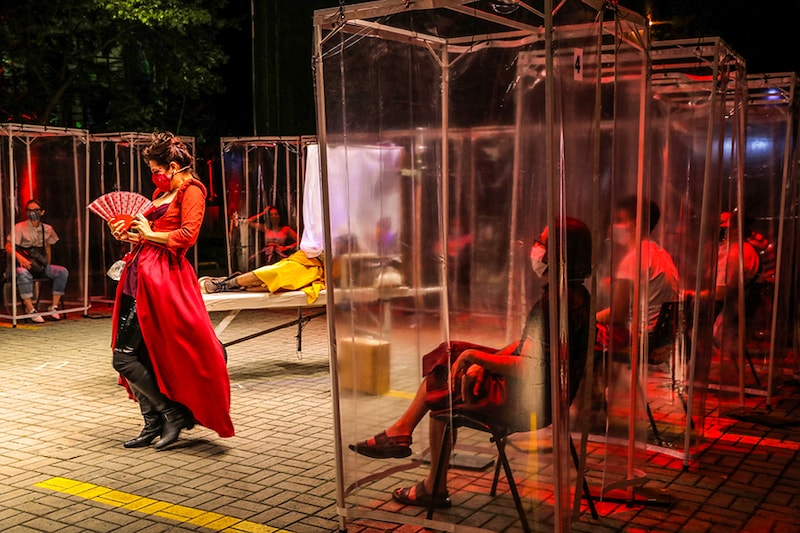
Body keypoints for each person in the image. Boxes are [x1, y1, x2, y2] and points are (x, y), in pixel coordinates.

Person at [348, 218, 592, 509]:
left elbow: (530, 366)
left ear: (560, 253)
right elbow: (529, 347)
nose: (536, 248)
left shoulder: (555, 302)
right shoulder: (575, 295)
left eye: (543, 242)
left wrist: (478, 359)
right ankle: (401, 432)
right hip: (549, 396)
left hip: (528, 402)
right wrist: (486, 361)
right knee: (451, 354)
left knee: (443, 388)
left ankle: (429, 482)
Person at [108, 131, 234, 450]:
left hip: (163, 278)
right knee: (138, 354)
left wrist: (149, 232)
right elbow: (149, 237)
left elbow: (186, 237)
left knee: (123, 358)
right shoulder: (162, 192)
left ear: (174, 166)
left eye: (157, 169)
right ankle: (152, 423)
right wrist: (128, 233)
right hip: (140, 273)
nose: (156, 176)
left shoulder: (192, 192)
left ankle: (170, 413)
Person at [4, 199, 70, 322]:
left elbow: (48, 247)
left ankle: (54, 307)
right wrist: (21, 258)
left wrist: (47, 264)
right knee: (22, 274)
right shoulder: (19, 228)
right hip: (24, 264)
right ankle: (30, 308)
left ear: (42, 212)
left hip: (40, 264)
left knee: (62, 271)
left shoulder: (47, 229)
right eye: (29, 210)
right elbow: (8, 246)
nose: (32, 213)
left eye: (35, 210)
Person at [199, 248, 325, 304]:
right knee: (273, 273)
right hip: (308, 260)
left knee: (272, 286)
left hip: (319, 271)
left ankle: (234, 284)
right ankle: (226, 284)